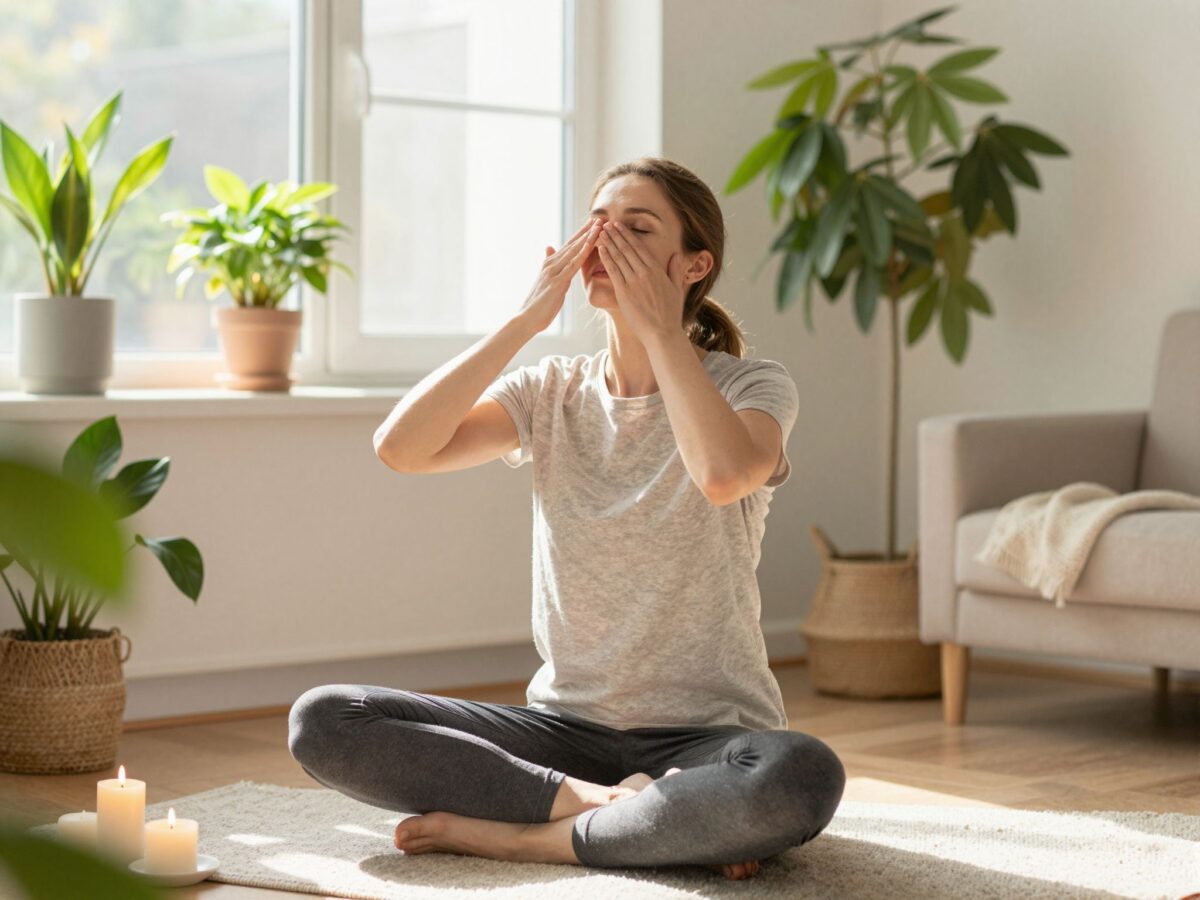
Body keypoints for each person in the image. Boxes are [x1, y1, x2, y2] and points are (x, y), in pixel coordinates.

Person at [287, 157, 846, 881]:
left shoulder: (751, 385)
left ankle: (524, 838)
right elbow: (401, 448)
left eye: (637, 229)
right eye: (599, 227)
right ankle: (623, 814)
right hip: (562, 734)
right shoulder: (550, 392)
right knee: (326, 719)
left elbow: (720, 475)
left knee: (800, 774)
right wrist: (524, 322)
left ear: (693, 264)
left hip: (709, 740)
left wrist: (661, 330)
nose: (606, 245)